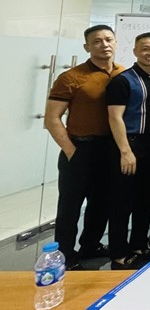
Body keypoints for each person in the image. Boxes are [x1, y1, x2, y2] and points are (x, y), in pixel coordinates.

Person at [44, 25, 125, 270]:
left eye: (108, 39)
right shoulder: (71, 77)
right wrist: (71, 150)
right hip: (80, 147)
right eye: (97, 41)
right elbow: (52, 118)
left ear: (116, 42)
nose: (104, 45)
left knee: (102, 202)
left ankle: (91, 246)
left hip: (110, 148)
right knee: (70, 206)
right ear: (87, 47)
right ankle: (65, 256)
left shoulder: (123, 73)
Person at [106, 32, 150, 270]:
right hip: (129, 144)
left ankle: (139, 246)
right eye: (145, 48)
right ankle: (119, 253)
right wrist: (125, 151)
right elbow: (115, 118)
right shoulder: (123, 80)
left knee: (145, 199)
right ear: (135, 51)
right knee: (122, 201)